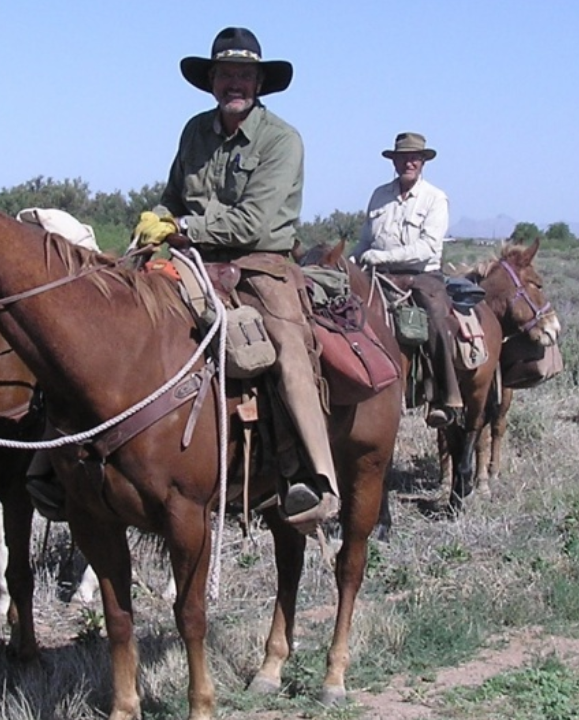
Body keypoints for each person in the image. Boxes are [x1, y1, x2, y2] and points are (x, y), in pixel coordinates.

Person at [131, 26, 338, 530]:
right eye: (226, 74)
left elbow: (256, 222)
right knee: (122, 312)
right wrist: (154, 221)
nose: (235, 83)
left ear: (260, 82)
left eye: (245, 74)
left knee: (288, 345)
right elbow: (174, 195)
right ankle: (65, 458)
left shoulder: (282, 140)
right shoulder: (194, 131)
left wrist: (181, 226)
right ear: (212, 81)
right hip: (193, 259)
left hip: (259, 263)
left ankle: (314, 477)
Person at [349, 132, 462, 427]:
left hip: (421, 277)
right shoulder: (379, 195)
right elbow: (365, 240)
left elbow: (428, 248)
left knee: (436, 318)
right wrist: (351, 260)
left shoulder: (435, 198)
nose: (408, 162)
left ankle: (444, 397)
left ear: (423, 161)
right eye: (402, 157)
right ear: (394, 161)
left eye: (414, 157)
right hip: (379, 276)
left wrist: (380, 257)